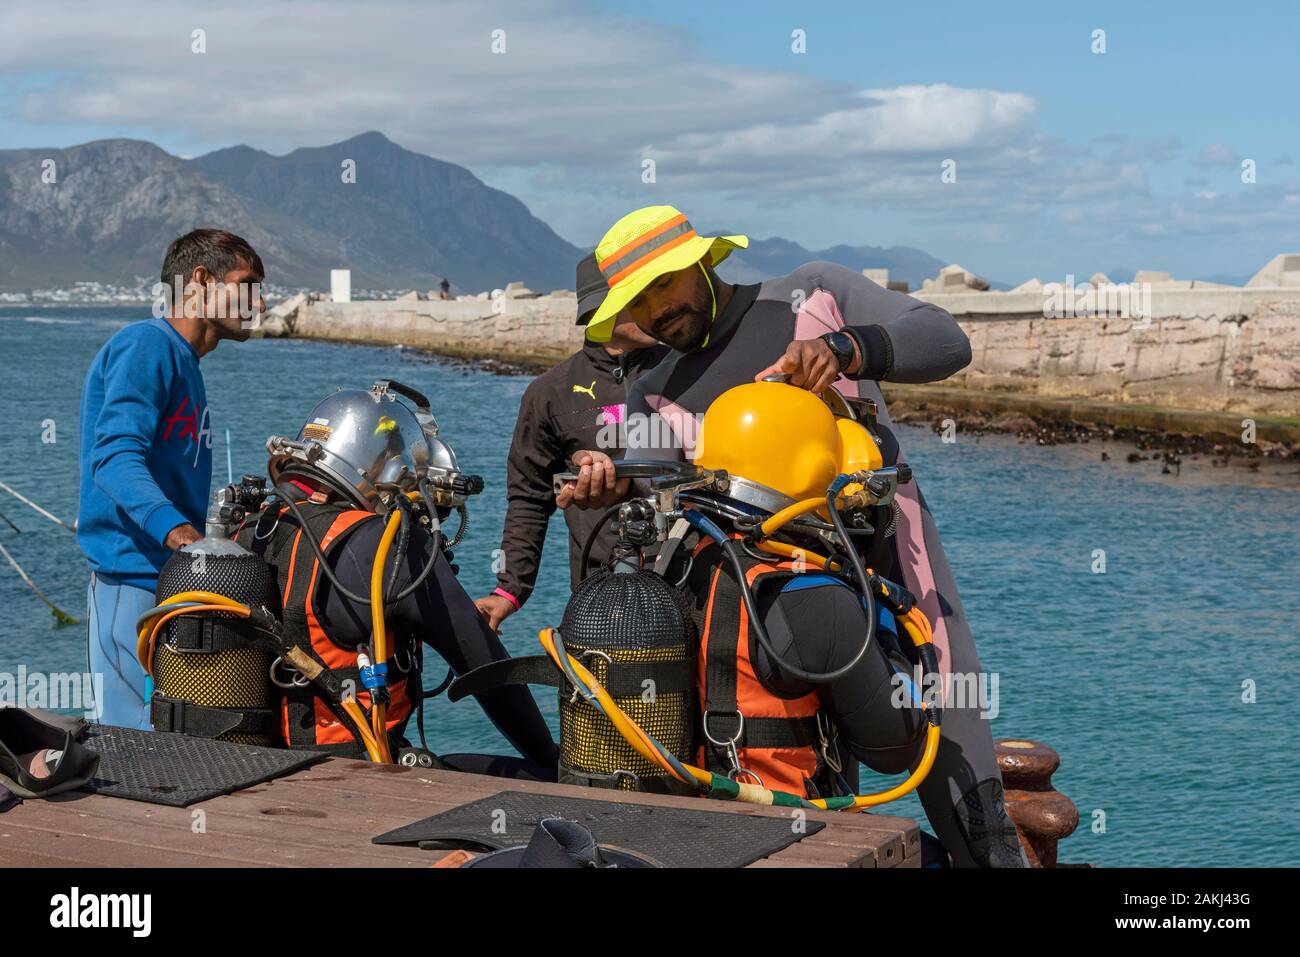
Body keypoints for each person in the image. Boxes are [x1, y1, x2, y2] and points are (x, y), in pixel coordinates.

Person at [555, 205, 1025, 867]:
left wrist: (845, 349)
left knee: (976, 816)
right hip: (780, 630)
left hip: (899, 575)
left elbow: (945, 338)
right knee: (812, 815)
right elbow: (666, 512)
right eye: (638, 298)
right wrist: (609, 488)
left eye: (664, 283)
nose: (656, 311)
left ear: (703, 260)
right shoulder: (652, 395)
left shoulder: (812, 297)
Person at [225, 383, 558, 772]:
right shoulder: (387, 544)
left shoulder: (245, 528)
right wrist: (549, 760)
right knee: (533, 777)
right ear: (389, 476)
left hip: (245, 767)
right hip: (355, 774)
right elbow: (487, 669)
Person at [78, 229, 265, 729]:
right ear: (200, 281)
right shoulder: (146, 345)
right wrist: (184, 536)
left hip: (170, 581)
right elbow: (114, 458)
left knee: (175, 734)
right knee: (129, 738)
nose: (261, 303)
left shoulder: (187, 364)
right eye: (249, 285)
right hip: (132, 581)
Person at [474, 253, 665, 633]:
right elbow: (529, 498)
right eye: (639, 296)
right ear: (602, 309)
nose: (657, 307)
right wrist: (510, 590)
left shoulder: (689, 369)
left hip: (694, 580)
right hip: (599, 594)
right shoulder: (549, 393)